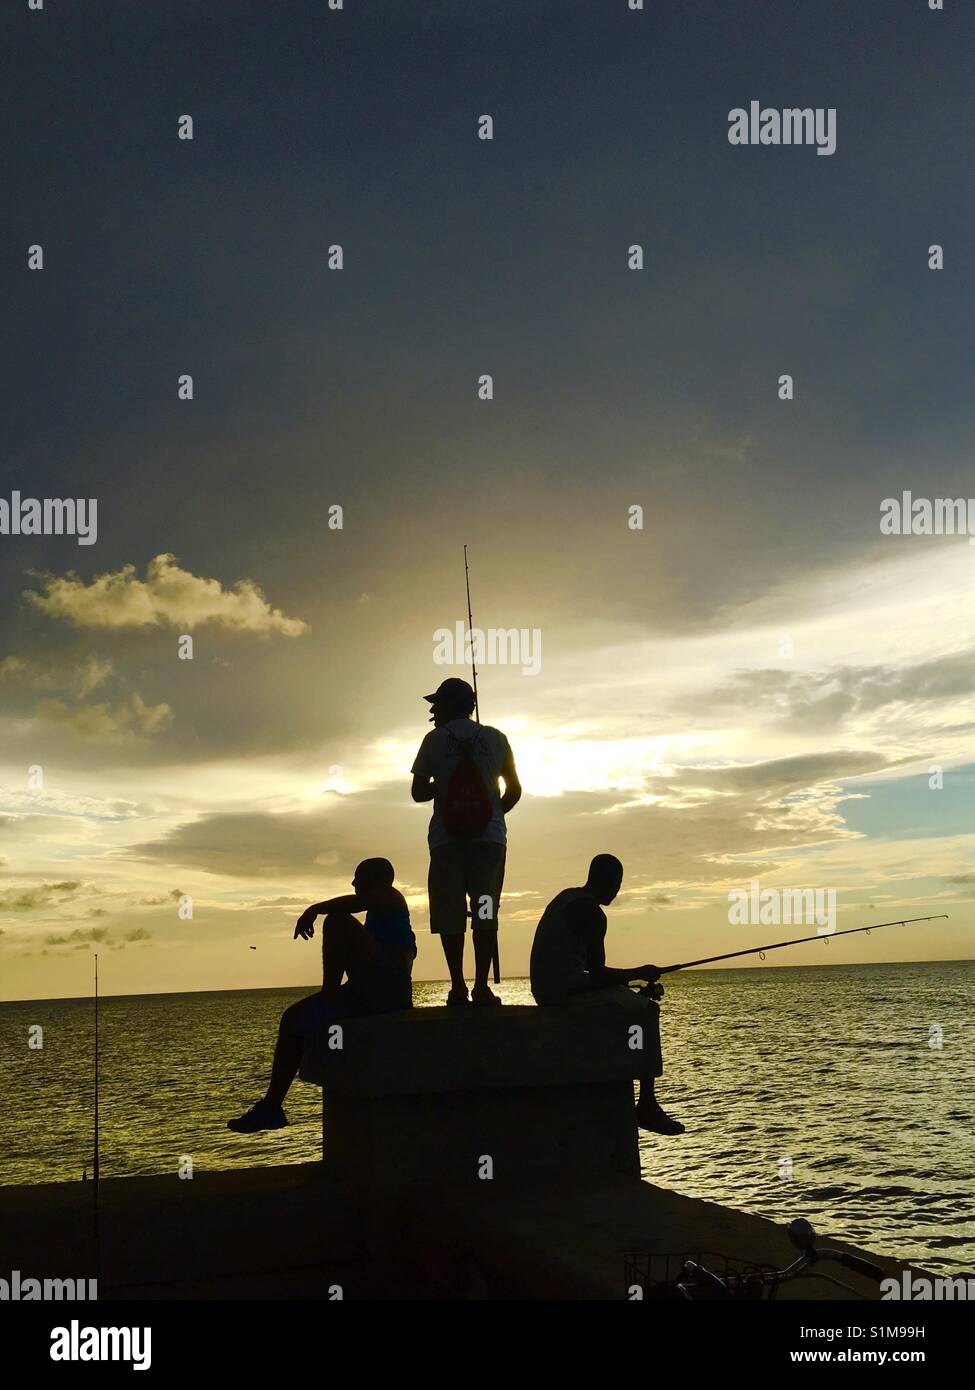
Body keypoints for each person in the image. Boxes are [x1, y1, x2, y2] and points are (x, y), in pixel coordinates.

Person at [227, 857, 416, 1133]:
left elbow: (353, 904)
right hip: (366, 991)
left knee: (337, 920)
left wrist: (314, 909)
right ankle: (271, 1107)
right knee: (292, 1019)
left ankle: (330, 996)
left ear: (376, 880)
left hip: (389, 993)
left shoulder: (391, 896)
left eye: (358, 878)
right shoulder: (377, 920)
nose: (353, 884)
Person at [530, 853, 684, 1135]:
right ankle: (647, 1105)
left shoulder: (567, 897)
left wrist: (625, 983)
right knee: (647, 1011)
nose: (618, 890)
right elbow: (598, 974)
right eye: (617, 883)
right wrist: (640, 971)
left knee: (627, 995)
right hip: (563, 993)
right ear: (608, 881)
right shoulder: (593, 914)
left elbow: (590, 972)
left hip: (546, 987)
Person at [411, 677, 521, 1007]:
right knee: (486, 910)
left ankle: (458, 986)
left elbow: (418, 792)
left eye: (437, 704)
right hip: (489, 841)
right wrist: (491, 813)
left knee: (451, 911)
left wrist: (444, 788)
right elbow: (514, 790)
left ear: (448, 706)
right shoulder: (496, 738)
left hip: (446, 841)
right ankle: (483, 987)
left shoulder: (433, 740)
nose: (432, 711)